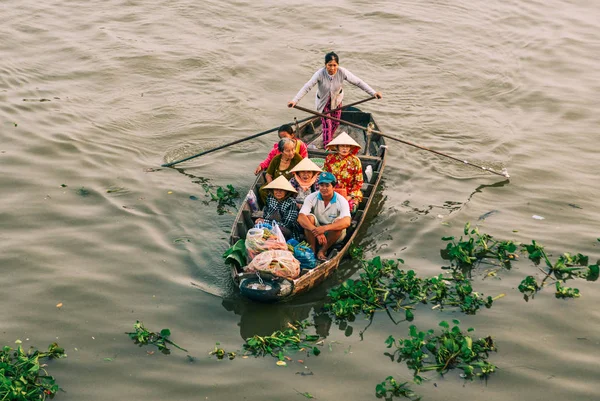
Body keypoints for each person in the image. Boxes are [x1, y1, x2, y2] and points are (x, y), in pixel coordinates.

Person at [287, 51, 382, 147]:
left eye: (334, 65)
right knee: (327, 125)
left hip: (337, 101)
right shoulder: (319, 74)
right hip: (323, 103)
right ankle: (327, 146)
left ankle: (329, 138)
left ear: (338, 65)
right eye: (329, 65)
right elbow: (307, 87)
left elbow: (358, 82)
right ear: (325, 65)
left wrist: (373, 93)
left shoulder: (342, 72)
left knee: (336, 123)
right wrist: (295, 101)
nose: (332, 68)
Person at [297, 172, 351, 262]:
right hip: (316, 231)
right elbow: (301, 217)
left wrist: (325, 228)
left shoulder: (341, 200)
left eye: (327, 185)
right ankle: (313, 250)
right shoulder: (311, 197)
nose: (324, 188)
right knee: (309, 218)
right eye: (321, 185)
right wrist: (316, 231)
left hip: (333, 233)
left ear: (333, 187)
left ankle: (323, 250)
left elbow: (347, 221)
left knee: (338, 222)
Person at [324, 131, 364, 212]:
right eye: (342, 146)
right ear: (337, 147)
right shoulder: (329, 158)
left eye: (347, 146)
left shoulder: (355, 160)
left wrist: (349, 196)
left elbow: (359, 182)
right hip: (332, 190)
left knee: (350, 208)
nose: (345, 149)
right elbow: (325, 176)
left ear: (350, 148)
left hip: (350, 191)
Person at [256, 176, 301, 240]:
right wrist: (261, 220)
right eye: (276, 189)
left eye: (281, 190)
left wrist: (265, 221)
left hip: (286, 230)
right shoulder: (270, 197)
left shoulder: (291, 203)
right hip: (270, 225)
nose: (278, 192)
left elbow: (286, 224)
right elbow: (266, 212)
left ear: (286, 191)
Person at [259, 138, 303, 202]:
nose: (291, 153)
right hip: (276, 184)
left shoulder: (297, 158)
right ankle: (271, 207)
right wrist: (273, 187)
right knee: (262, 190)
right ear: (281, 151)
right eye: (288, 151)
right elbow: (268, 175)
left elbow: (304, 172)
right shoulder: (276, 159)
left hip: (289, 186)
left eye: (293, 149)